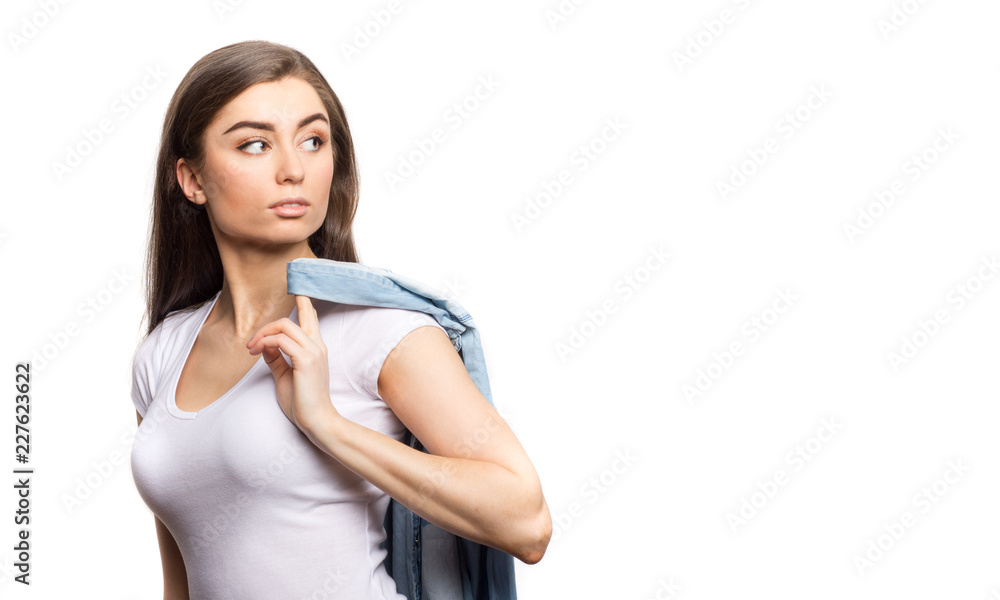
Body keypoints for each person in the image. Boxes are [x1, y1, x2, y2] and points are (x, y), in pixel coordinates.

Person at [128, 40, 551, 599]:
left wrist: (325, 423)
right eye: (255, 144)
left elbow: (526, 522)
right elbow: (181, 582)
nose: (293, 169)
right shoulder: (164, 351)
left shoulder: (379, 329)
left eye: (313, 141)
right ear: (192, 180)